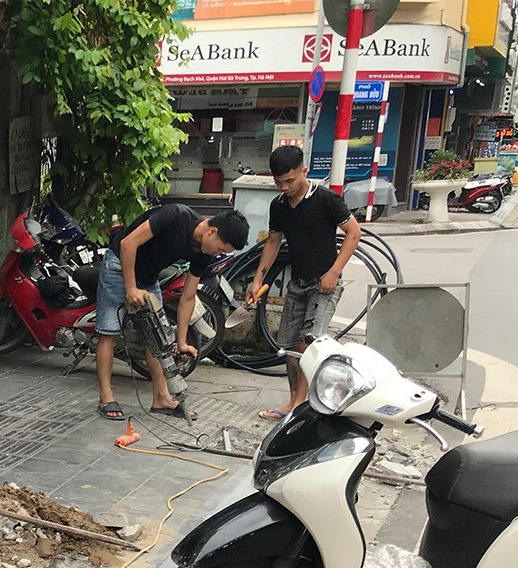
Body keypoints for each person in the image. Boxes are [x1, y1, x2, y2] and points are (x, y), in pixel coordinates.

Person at [96, 203, 249, 421]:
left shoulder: (203, 254)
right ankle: (105, 397)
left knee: (158, 338)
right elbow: (128, 243)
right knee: (109, 332)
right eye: (221, 249)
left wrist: (182, 341)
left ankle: (161, 398)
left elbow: (187, 297)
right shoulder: (175, 216)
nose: (218, 254)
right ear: (212, 231)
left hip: (149, 277)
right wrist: (130, 287)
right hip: (119, 265)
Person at [247, 145, 362, 420]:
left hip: (324, 283)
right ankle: (295, 402)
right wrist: (258, 279)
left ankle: (302, 405)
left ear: (303, 171)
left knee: (307, 343)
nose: (285, 187)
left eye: (290, 180)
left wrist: (334, 271)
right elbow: (273, 242)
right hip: (297, 283)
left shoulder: (326, 199)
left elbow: (353, 233)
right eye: (279, 182)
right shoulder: (279, 205)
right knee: (287, 345)